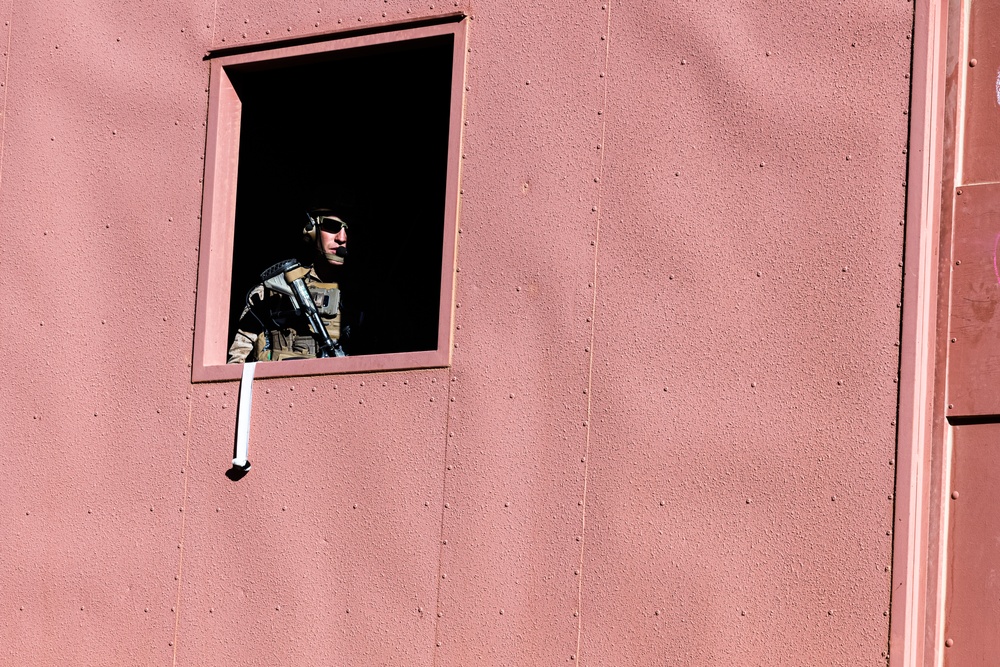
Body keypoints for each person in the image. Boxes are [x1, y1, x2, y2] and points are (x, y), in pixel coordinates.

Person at [227, 208, 354, 363]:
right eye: (332, 227)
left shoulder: (357, 295)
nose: (342, 238)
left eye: (346, 230)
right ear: (312, 231)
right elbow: (237, 357)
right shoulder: (278, 287)